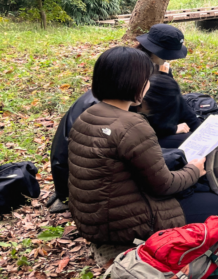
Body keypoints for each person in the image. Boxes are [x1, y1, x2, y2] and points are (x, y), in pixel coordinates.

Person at [67, 47, 218, 249]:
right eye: (146, 78)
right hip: (123, 226)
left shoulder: (88, 114)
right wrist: (194, 170)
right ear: (134, 83)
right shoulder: (133, 125)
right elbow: (164, 185)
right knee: (215, 204)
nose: (149, 84)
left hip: (92, 219)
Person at [48, 24, 200, 213]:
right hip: (89, 184)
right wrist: (192, 169)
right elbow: (160, 179)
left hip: (75, 174)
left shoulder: (126, 78)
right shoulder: (124, 107)